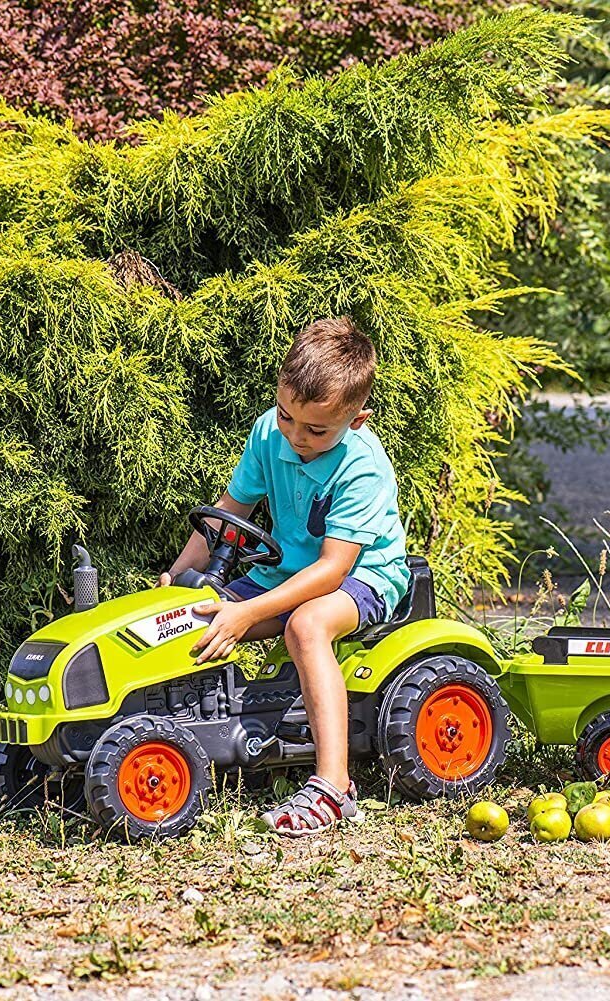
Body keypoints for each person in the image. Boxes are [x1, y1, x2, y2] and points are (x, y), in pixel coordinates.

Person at [160, 316, 409, 836]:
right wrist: (182, 573)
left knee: (306, 626)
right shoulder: (268, 433)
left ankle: (334, 787)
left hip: (361, 577)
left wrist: (248, 610)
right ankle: (182, 736)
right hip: (286, 571)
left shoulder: (361, 467)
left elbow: (332, 569)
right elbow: (232, 510)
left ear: (357, 419)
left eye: (316, 430)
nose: (296, 436)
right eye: (287, 416)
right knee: (187, 616)